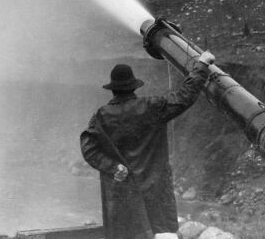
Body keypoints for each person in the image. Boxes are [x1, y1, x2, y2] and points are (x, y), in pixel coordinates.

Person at [80, 51, 215, 239]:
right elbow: (185, 96)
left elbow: (89, 148)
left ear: (113, 89)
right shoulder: (152, 108)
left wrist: (113, 167)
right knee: (158, 231)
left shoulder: (102, 116)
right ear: (134, 87)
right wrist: (201, 65)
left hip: (122, 195)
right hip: (154, 191)